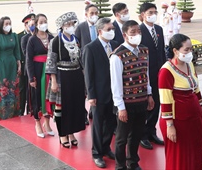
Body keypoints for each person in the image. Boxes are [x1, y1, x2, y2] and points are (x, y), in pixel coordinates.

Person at [110, 20, 155, 170]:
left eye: (139, 32)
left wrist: (149, 94)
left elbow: (146, 74)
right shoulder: (117, 55)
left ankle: (133, 162)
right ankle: (120, 165)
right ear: (125, 35)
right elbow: (116, 84)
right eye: (133, 32)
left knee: (136, 135)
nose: (137, 35)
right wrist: (121, 107)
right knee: (122, 138)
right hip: (126, 103)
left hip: (141, 100)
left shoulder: (144, 51)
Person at [159, 33, 202, 169]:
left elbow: (196, 90)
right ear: (175, 51)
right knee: (180, 157)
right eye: (186, 50)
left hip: (194, 118)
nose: (190, 52)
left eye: (191, 49)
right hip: (178, 122)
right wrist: (170, 125)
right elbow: (165, 99)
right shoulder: (166, 71)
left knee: (194, 153)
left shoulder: (190, 65)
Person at [46, 11, 86, 148]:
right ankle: (62, 134)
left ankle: (71, 132)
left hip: (76, 75)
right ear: (62, 26)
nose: (70, 26)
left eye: (72, 23)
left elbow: (80, 59)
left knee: (74, 105)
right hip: (62, 76)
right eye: (67, 24)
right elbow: (51, 61)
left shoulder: (76, 40)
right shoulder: (56, 41)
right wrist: (53, 81)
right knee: (61, 106)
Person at [84, 17, 118, 168]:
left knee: (111, 123)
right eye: (108, 29)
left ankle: (106, 148)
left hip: (114, 92)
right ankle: (97, 153)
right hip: (98, 93)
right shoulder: (91, 48)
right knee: (98, 124)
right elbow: (88, 74)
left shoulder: (115, 45)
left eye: (113, 29)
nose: (112, 31)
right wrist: (91, 95)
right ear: (100, 31)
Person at [138, 2, 166, 150]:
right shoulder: (139, 31)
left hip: (158, 73)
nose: (153, 15)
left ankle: (151, 132)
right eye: (150, 12)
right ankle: (142, 135)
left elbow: (161, 51)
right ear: (143, 14)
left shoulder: (159, 29)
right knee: (146, 105)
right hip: (144, 74)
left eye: (155, 12)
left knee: (157, 104)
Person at [26, 13, 54, 138]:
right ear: (36, 24)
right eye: (41, 22)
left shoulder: (52, 38)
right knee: (37, 96)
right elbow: (28, 59)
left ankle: (47, 123)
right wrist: (31, 77)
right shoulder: (32, 40)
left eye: (45, 21)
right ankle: (37, 122)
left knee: (49, 96)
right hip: (38, 71)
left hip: (50, 71)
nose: (44, 24)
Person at [0, 16, 21, 120]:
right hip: (2, 65)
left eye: (9, 23)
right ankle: (3, 113)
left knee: (13, 88)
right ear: (1, 25)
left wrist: (19, 64)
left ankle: (14, 112)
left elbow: (17, 51)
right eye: (6, 24)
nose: (8, 26)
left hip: (12, 64)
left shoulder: (14, 36)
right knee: (3, 88)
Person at [18, 13, 36, 116]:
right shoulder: (20, 36)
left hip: (35, 65)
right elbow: (19, 52)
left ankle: (31, 108)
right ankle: (21, 110)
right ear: (26, 24)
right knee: (23, 89)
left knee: (31, 89)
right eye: (29, 23)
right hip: (24, 65)